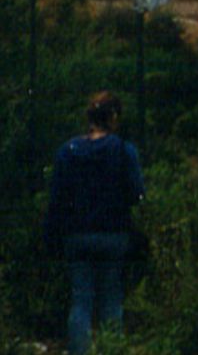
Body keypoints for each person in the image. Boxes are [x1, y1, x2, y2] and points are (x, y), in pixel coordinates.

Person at [43, 91, 145, 355]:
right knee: (111, 298)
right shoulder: (124, 150)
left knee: (81, 301)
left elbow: (56, 198)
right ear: (113, 117)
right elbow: (137, 193)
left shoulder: (68, 151)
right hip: (113, 235)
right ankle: (112, 349)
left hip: (76, 236)